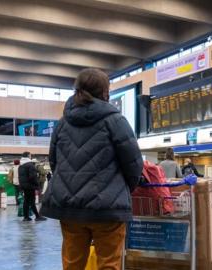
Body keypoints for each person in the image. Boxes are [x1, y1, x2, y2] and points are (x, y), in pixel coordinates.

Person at [40, 68, 143, 270]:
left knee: (72, 264)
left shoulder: (62, 124)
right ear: (105, 92)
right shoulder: (116, 121)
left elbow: (54, 161)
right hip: (108, 209)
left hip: (70, 209)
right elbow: (133, 163)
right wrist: (121, 190)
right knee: (109, 264)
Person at [19, 152, 46, 221]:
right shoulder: (30, 165)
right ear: (28, 156)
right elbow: (33, 177)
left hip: (24, 186)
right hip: (30, 186)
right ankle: (37, 216)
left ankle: (26, 217)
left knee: (26, 201)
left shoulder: (21, 165)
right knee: (32, 201)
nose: (31, 156)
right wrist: (37, 185)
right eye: (30, 155)